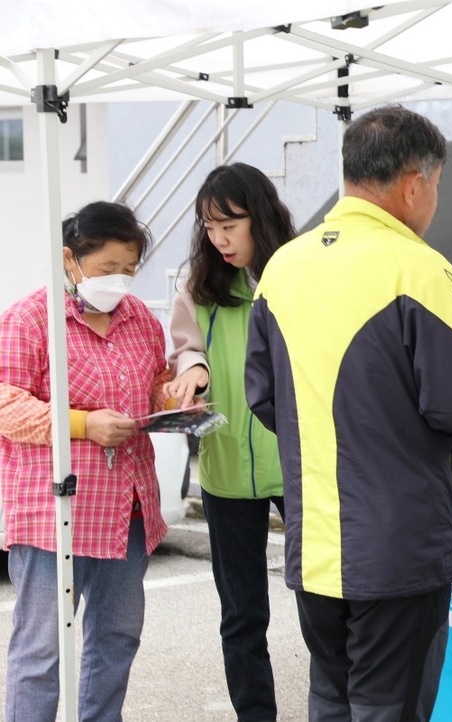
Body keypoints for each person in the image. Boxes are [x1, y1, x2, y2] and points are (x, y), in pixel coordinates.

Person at [244, 104, 452, 722]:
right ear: (415, 184)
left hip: (315, 541)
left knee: (330, 701)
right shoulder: (421, 269)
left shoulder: (282, 267)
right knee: (390, 709)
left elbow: (263, 397)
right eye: (436, 186)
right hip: (398, 550)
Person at [0, 201, 172, 722]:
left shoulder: (140, 318)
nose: (120, 280)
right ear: (70, 259)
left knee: (116, 639)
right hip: (57, 512)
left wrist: (171, 394)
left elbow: (153, 382)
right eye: (107, 269)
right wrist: (83, 423)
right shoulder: (32, 318)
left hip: (129, 508)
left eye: (130, 269)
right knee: (42, 649)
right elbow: (6, 403)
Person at [165, 163, 295, 722]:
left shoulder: (296, 276)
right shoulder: (198, 285)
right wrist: (192, 371)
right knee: (242, 616)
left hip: (296, 466)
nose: (218, 239)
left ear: (259, 219)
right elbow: (186, 347)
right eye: (208, 226)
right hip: (224, 472)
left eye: (230, 225)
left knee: (328, 603)